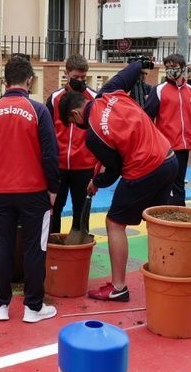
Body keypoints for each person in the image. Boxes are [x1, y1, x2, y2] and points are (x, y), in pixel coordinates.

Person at [58, 69, 177, 302]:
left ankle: (119, 287)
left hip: (144, 168)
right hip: (168, 159)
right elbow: (131, 71)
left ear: (75, 113)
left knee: (114, 223)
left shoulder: (92, 136)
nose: (76, 126)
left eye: (72, 122)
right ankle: (168, 278)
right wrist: (142, 63)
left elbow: (114, 170)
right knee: (157, 222)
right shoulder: (108, 92)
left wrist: (96, 182)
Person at [0, 55, 59, 323]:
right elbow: (50, 153)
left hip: (2, 192)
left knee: (2, 246)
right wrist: (53, 188)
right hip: (35, 192)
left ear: (5, 81)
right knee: (35, 248)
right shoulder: (38, 110)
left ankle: (0, 305)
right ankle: (33, 308)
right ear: (30, 80)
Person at [143, 54, 191, 206]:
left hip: (183, 148)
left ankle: (178, 212)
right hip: (165, 148)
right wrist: (151, 144)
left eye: (174, 67)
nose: (170, 70)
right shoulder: (158, 90)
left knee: (179, 184)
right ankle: (162, 212)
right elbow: (146, 119)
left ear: (183, 68)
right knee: (165, 183)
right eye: (167, 67)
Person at [46, 54, 97, 235]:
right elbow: (47, 132)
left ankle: (79, 246)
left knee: (81, 212)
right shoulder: (55, 98)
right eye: (76, 77)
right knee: (53, 209)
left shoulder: (94, 98)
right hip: (58, 166)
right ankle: (52, 245)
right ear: (66, 73)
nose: (80, 81)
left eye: (83, 77)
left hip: (84, 166)